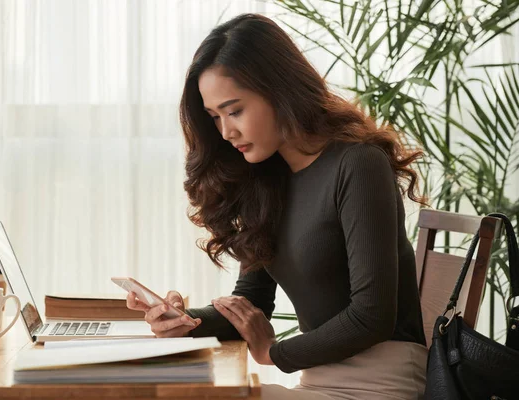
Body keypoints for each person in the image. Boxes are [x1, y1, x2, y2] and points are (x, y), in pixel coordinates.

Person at [126, 13, 428, 400]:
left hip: (379, 386)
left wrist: (274, 353)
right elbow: (251, 302)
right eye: (215, 117)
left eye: (235, 111)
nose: (226, 132)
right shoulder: (266, 180)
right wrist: (186, 322)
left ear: (279, 90)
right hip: (319, 382)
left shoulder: (358, 164)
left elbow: (372, 316)